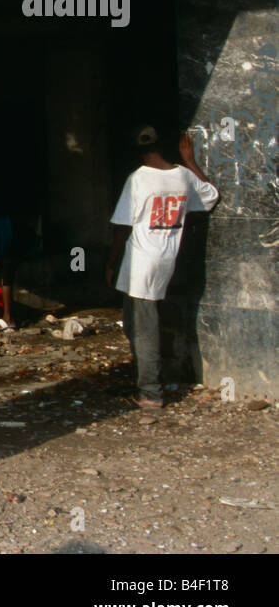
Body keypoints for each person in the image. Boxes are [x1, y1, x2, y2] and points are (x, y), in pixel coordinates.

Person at [106, 127, 218, 409]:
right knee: (135, 323)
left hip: (140, 262)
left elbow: (122, 227)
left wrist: (111, 264)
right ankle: (147, 379)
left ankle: (150, 393)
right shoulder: (182, 175)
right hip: (166, 259)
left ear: (138, 152)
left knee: (143, 328)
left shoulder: (137, 179)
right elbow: (211, 196)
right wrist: (190, 160)